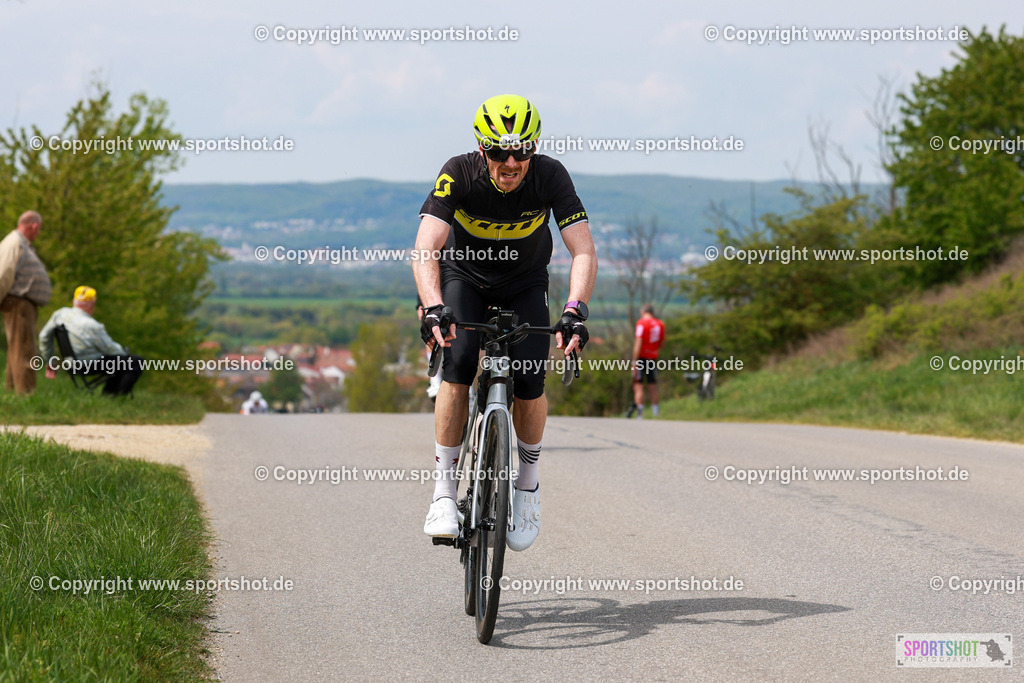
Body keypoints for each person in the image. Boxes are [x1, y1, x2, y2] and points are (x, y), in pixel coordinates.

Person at [413, 94, 597, 551]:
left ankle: (527, 486)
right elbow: (426, 248)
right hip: (465, 278)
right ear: (482, 149)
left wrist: (574, 310)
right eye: (499, 152)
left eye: (522, 151)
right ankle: (444, 494)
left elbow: (583, 250)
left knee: (531, 379)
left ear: (534, 148)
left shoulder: (551, 175)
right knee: (457, 366)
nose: (511, 163)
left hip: (524, 283)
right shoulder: (458, 173)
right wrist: (433, 305)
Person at [39, 286, 144, 396]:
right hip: (87, 366)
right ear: (92, 304)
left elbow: (43, 336)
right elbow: (110, 348)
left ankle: (109, 395)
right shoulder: (92, 325)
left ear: (73, 301)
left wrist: (50, 361)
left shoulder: (60, 314)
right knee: (135, 361)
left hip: (69, 363)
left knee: (119, 361)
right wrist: (124, 354)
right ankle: (115, 396)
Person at [0, 211, 52, 394]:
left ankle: (12, 391)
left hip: (22, 304)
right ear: (34, 226)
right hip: (19, 304)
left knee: (17, 349)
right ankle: (26, 394)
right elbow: (3, 272)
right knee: (25, 350)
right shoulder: (14, 242)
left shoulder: (21, 243)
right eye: (39, 228)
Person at [626, 304, 665, 419]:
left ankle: (640, 414)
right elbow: (662, 344)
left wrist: (634, 361)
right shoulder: (660, 324)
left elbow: (638, 342)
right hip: (652, 358)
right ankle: (656, 414)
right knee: (653, 386)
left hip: (641, 358)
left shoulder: (641, 323)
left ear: (643, 312)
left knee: (639, 386)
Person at [416, 297, 443, 401]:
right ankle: (435, 379)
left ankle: (469, 389)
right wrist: (420, 303)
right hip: (431, 297)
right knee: (431, 331)